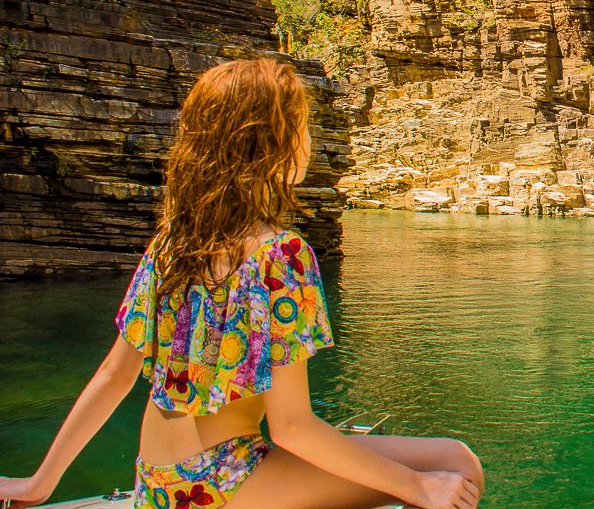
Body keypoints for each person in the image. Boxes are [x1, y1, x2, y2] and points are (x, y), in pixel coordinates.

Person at [0, 58, 484, 509]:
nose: (308, 139)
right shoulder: (281, 256)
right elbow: (292, 428)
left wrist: (40, 482)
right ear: (270, 144)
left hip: (157, 483)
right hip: (218, 483)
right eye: (299, 126)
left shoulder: (173, 242)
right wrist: (418, 485)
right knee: (456, 464)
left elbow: (114, 376)